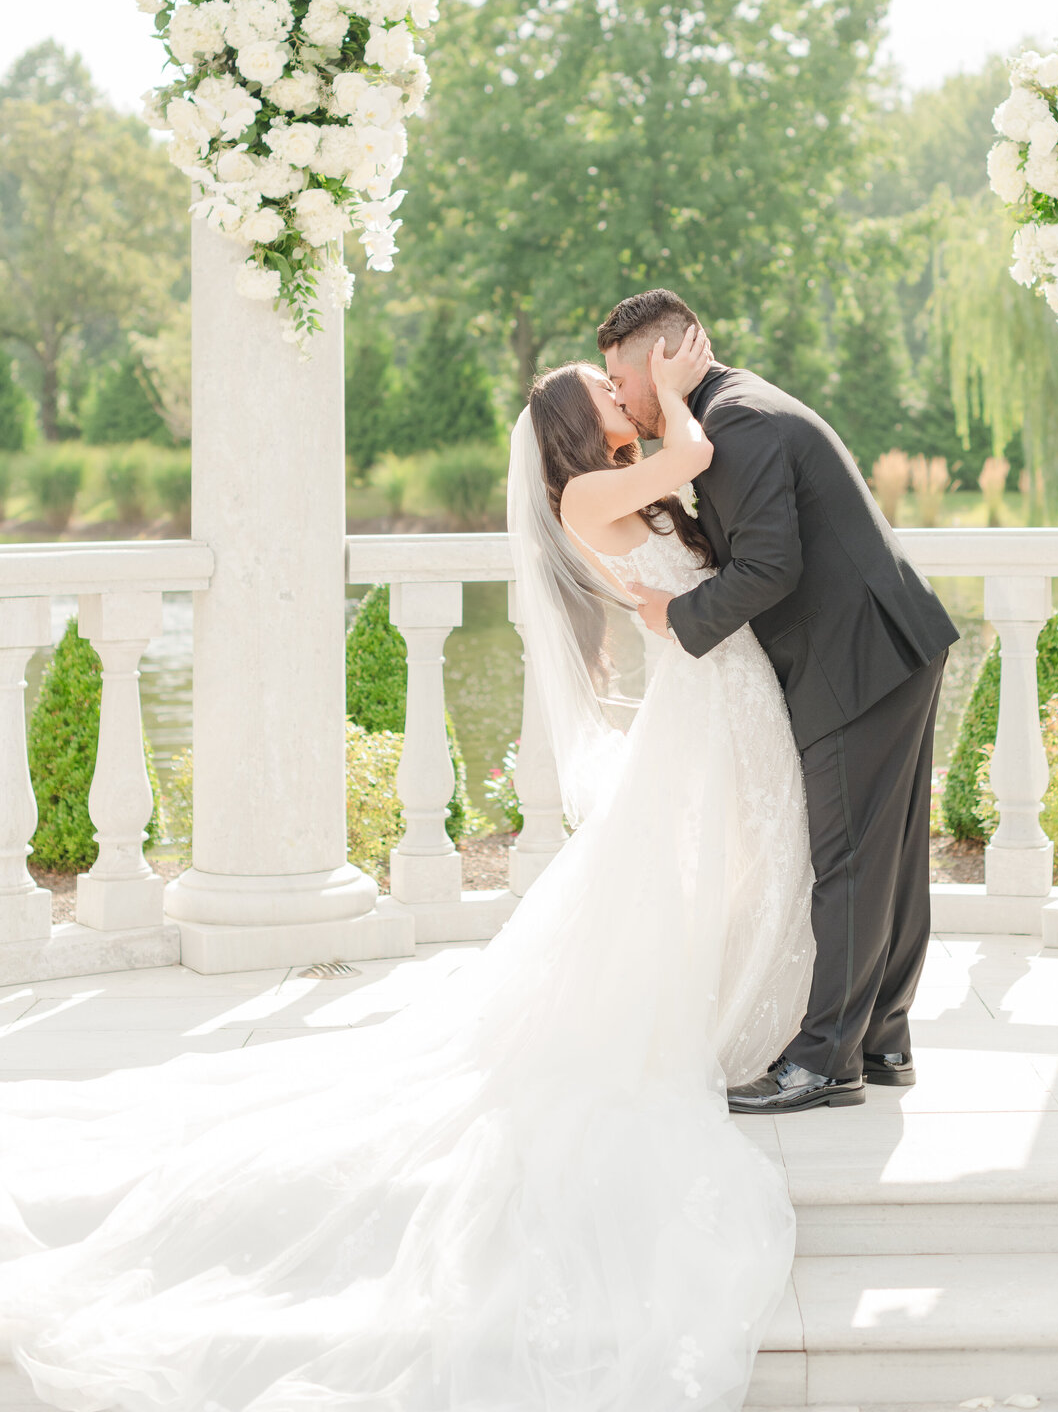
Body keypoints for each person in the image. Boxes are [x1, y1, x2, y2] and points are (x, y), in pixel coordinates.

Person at [0, 325, 817, 1412]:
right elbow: (702, 457)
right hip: (704, 705)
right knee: (694, 876)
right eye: (603, 393)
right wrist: (674, 388)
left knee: (728, 870)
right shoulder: (589, 499)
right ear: (580, 429)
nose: (622, 397)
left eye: (618, 387)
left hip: (720, 696)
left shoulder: (629, 484)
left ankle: (745, 1005)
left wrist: (659, 415)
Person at [598, 288, 959, 1114]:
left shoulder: (739, 423)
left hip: (856, 659)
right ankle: (883, 1037)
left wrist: (675, 616)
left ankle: (825, 1061)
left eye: (623, 377)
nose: (618, 396)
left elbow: (768, 568)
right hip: (884, 646)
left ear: (665, 356)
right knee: (887, 858)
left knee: (851, 860)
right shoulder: (729, 411)